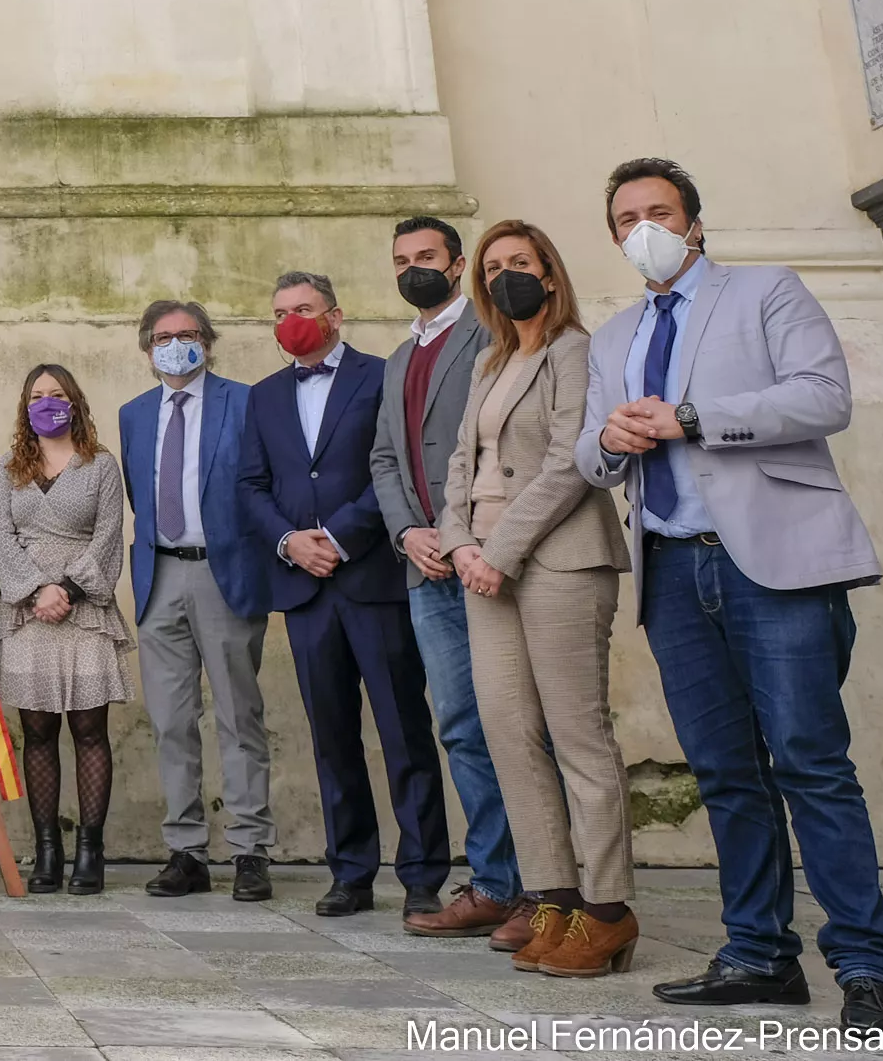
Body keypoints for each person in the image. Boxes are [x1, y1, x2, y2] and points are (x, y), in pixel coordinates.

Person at [574, 158, 883, 1037]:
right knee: (724, 772)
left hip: (773, 560)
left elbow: (823, 397)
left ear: (693, 222)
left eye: (659, 211)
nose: (642, 228)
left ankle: (867, 967)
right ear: (613, 236)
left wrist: (689, 418)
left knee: (809, 762)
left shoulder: (765, 291)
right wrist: (608, 439)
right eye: (625, 218)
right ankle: (757, 953)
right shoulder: (609, 339)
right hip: (673, 571)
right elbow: (589, 460)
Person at [443, 220, 637, 977]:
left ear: (549, 275)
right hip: (482, 566)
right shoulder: (490, 361)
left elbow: (568, 462)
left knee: (577, 734)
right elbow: (464, 459)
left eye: (518, 264)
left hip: (556, 559)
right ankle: (552, 896)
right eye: (491, 268)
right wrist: (457, 540)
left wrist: (496, 550)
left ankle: (608, 909)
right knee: (508, 732)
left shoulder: (572, 351)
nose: (503, 277)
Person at [236, 270, 450, 919]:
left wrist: (337, 534)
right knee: (331, 737)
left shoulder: (381, 375)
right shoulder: (263, 396)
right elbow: (251, 484)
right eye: (278, 312)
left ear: (335, 315)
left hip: (371, 579)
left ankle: (420, 874)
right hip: (303, 589)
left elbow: (393, 464)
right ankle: (350, 871)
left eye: (302, 309)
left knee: (402, 731)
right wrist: (289, 542)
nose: (289, 321)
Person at [369, 217, 519, 939]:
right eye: (401, 261)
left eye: (425, 257)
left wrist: (459, 537)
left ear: (457, 265)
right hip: (424, 568)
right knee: (459, 727)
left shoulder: (492, 337)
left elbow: (502, 448)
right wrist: (406, 532)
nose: (412, 270)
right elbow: (383, 460)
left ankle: (548, 884)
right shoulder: (399, 357)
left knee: (517, 723)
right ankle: (494, 881)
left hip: (488, 559)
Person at [116, 300, 275, 901]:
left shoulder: (244, 401)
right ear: (146, 347)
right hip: (160, 576)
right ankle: (186, 850)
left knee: (239, 715)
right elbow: (139, 494)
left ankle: (250, 850)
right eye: (163, 336)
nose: (175, 344)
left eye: (187, 335)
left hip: (224, 573)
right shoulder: (133, 414)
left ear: (207, 342)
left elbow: (260, 484)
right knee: (171, 721)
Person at [0, 364, 131, 896]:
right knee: (39, 733)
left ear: (74, 402)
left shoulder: (101, 466)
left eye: (57, 394)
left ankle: (90, 852)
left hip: (84, 609)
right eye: (37, 395)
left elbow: (110, 537)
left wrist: (69, 590)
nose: (47, 402)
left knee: (89, 731)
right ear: (25, 406)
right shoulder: (8, 467)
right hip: (28, 612)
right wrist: (34, 591)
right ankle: (47, 848)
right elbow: (1, 537)